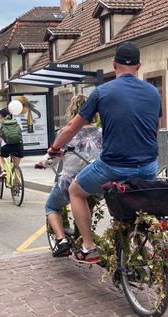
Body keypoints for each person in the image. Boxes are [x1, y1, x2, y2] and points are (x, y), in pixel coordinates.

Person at [47, 42, 161, 264]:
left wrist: (54, 148)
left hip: (113, 165)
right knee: (134, 204)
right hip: (148, 165)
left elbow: (72, 127)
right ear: (138, 65)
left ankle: (89, 248)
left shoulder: (102, 91)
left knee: (76, 191)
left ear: (114, 64)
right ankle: (145, 244)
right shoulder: (153, 92)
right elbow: (154, 129)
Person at [37, 95, 102, 257]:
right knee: (88, 201)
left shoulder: (66, 132)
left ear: (72, 110)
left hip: (70, 181)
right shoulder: (102, 132)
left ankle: (61, 240)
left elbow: (53, 156)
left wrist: (42, 163)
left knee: (51, 206)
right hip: (96, 180)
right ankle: (84, 239)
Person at [0, 107, 23, 179]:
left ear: (0, 115)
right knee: (16, 166)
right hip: (18, 145)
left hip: (6, 146)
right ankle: (17, 185)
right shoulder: (15, 121)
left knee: (0, 156)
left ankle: (3, 170)